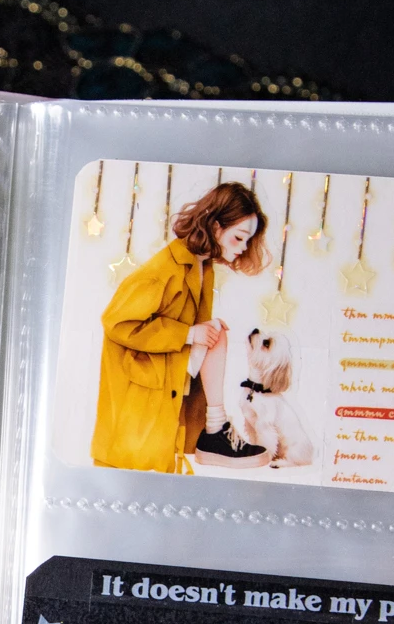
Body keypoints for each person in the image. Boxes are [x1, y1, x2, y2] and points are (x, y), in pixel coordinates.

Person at [91, 181, 270, 472]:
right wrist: (188, 334)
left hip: (165, 369)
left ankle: (215, 430)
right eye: (238, 238)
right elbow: (117, 322)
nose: (243, 248)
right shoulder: (165, 270)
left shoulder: (202, 265)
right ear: (215, 226)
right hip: (141, 381)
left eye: (248, 241)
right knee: (215, 335)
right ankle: (215, 431)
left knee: (217, 334)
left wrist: (196, 334)